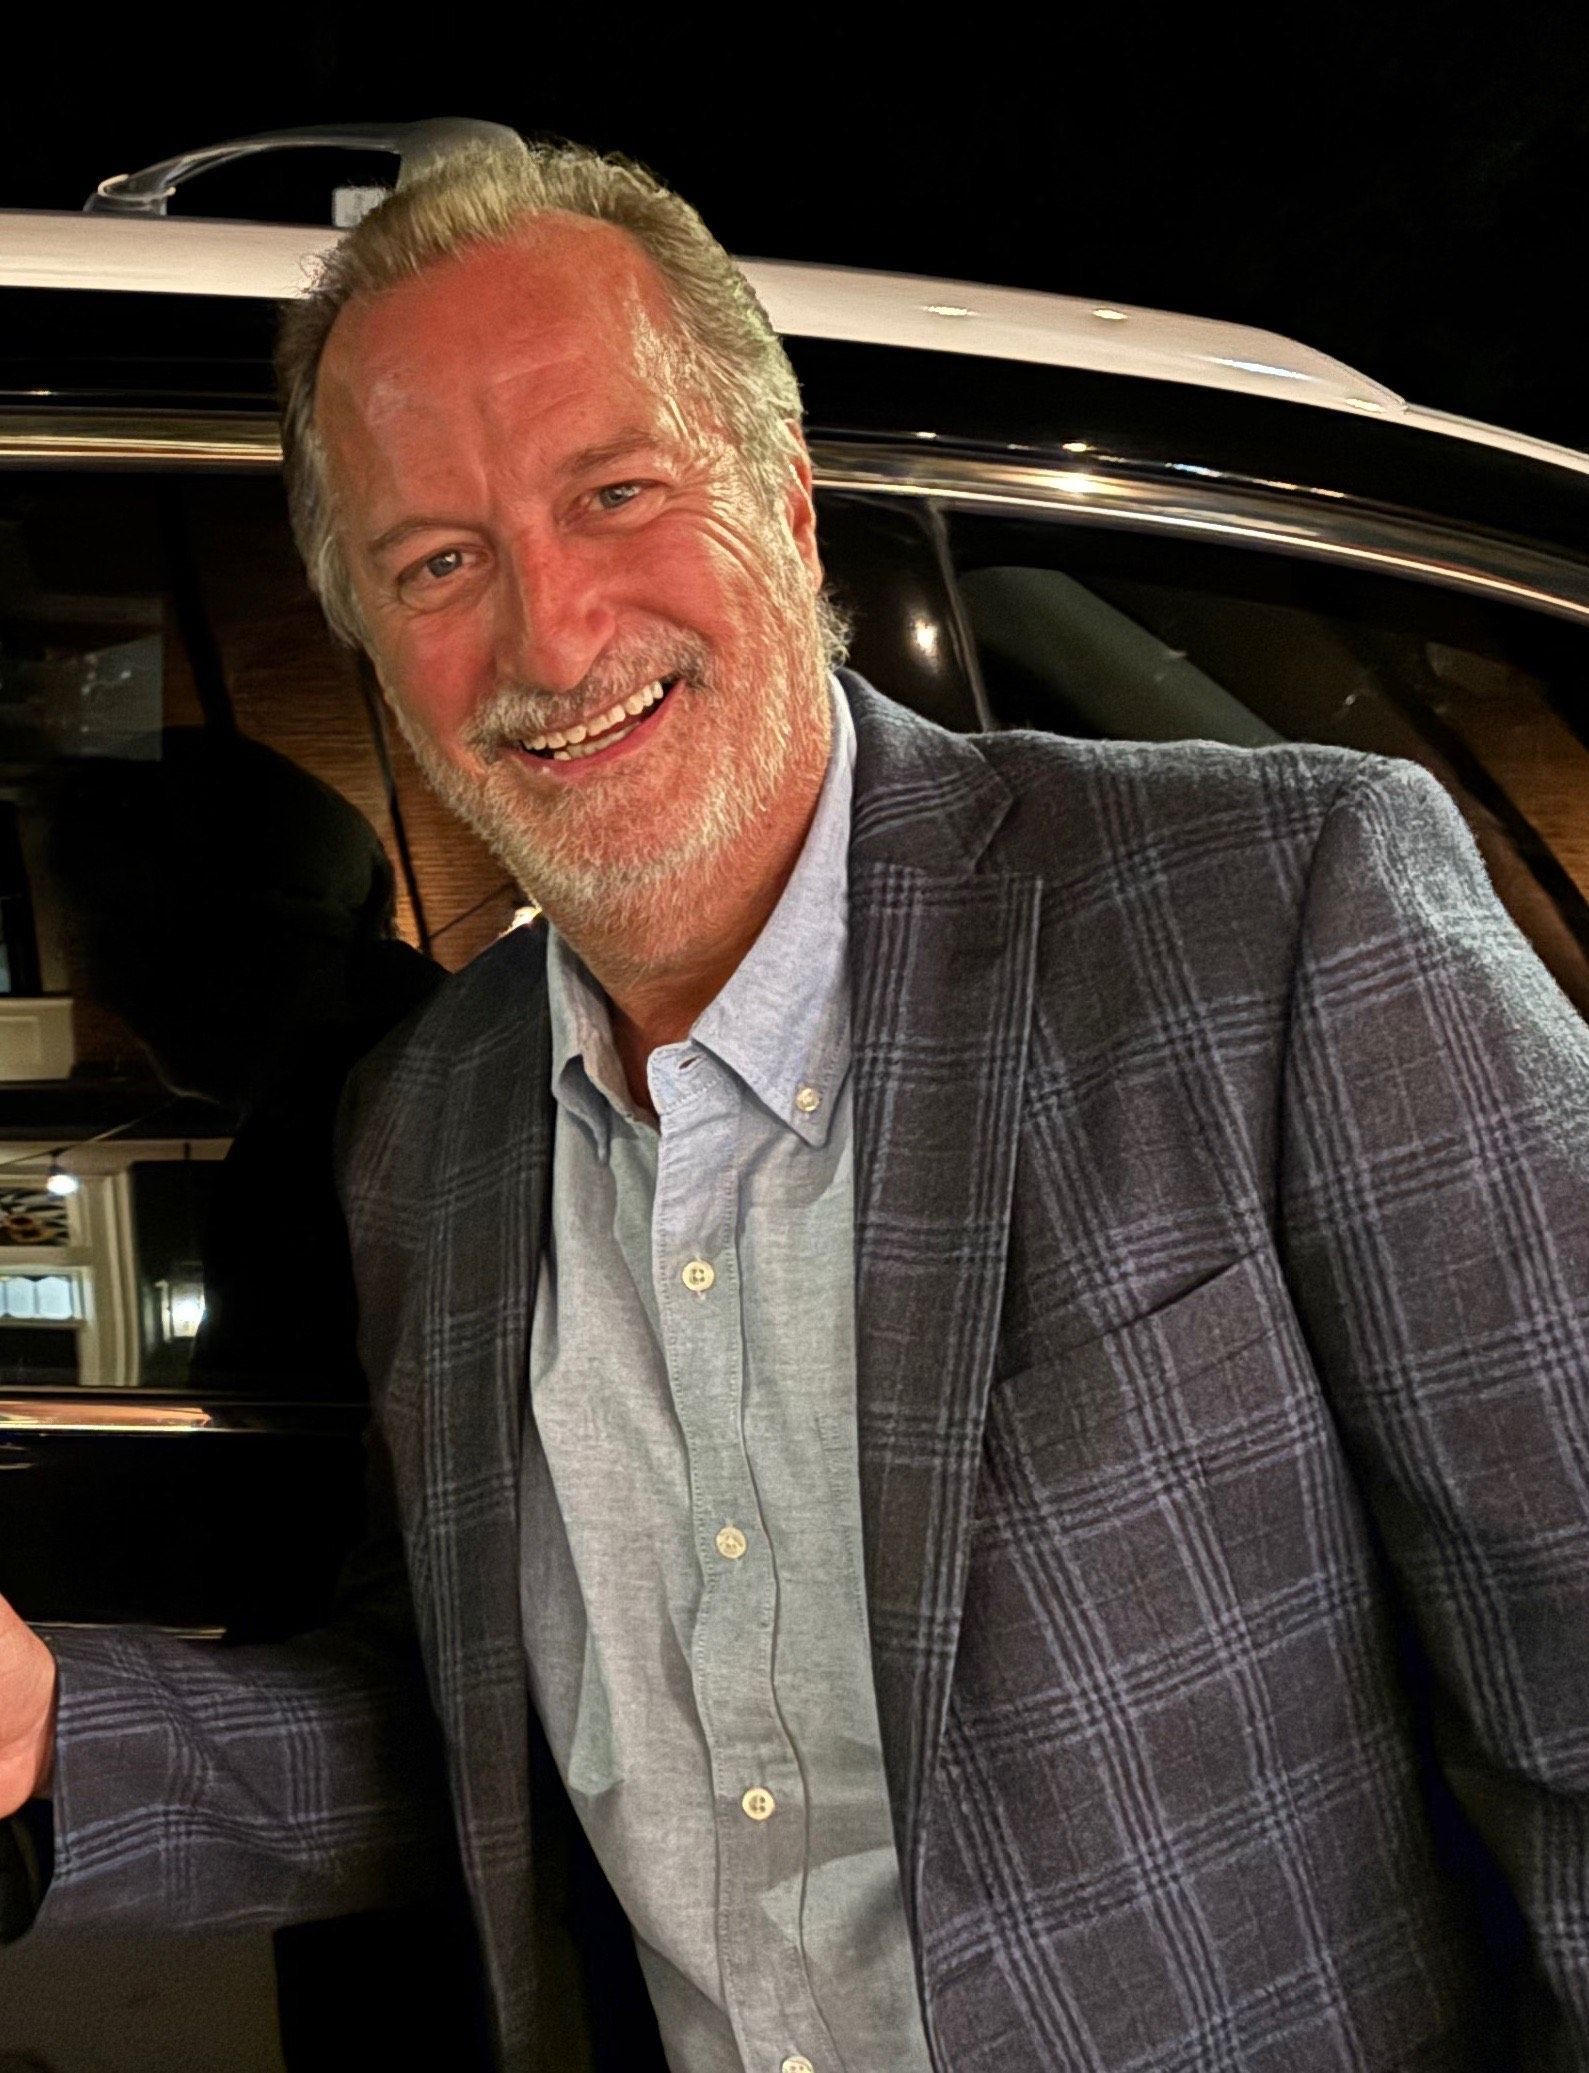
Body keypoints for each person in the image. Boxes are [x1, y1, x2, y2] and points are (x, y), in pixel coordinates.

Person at [2, 135, 1587, 2073]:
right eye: (437, 559)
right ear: (370, 643)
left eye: (618, 492)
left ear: (793, 504)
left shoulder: (1275, 915)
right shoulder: (428, 1125)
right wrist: (39, 1734)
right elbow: (479, 1751)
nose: (551, 637)